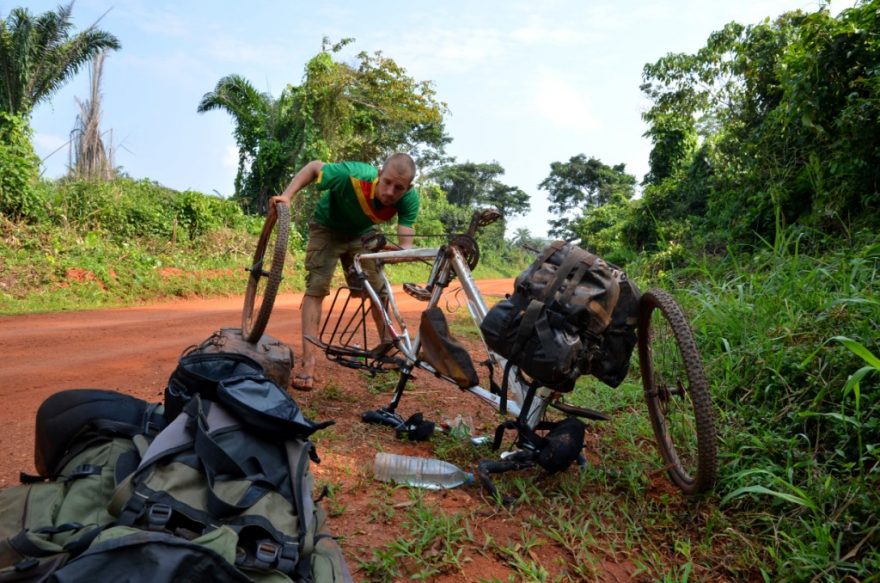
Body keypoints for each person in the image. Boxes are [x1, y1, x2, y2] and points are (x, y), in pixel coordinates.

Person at [270, 153, 418, 391]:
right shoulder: (351, 176)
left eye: (399, 188)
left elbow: (405, 246)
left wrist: (399, 252)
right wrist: (287, 196)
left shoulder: (409, 199)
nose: (390, 192)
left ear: (408, 188)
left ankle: (388, 350)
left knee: (377, 290)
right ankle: (308, 364)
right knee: (316, 288)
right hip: (326, 227)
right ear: (379, 174)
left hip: (362, 233)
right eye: (387, 182)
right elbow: (314, 167)